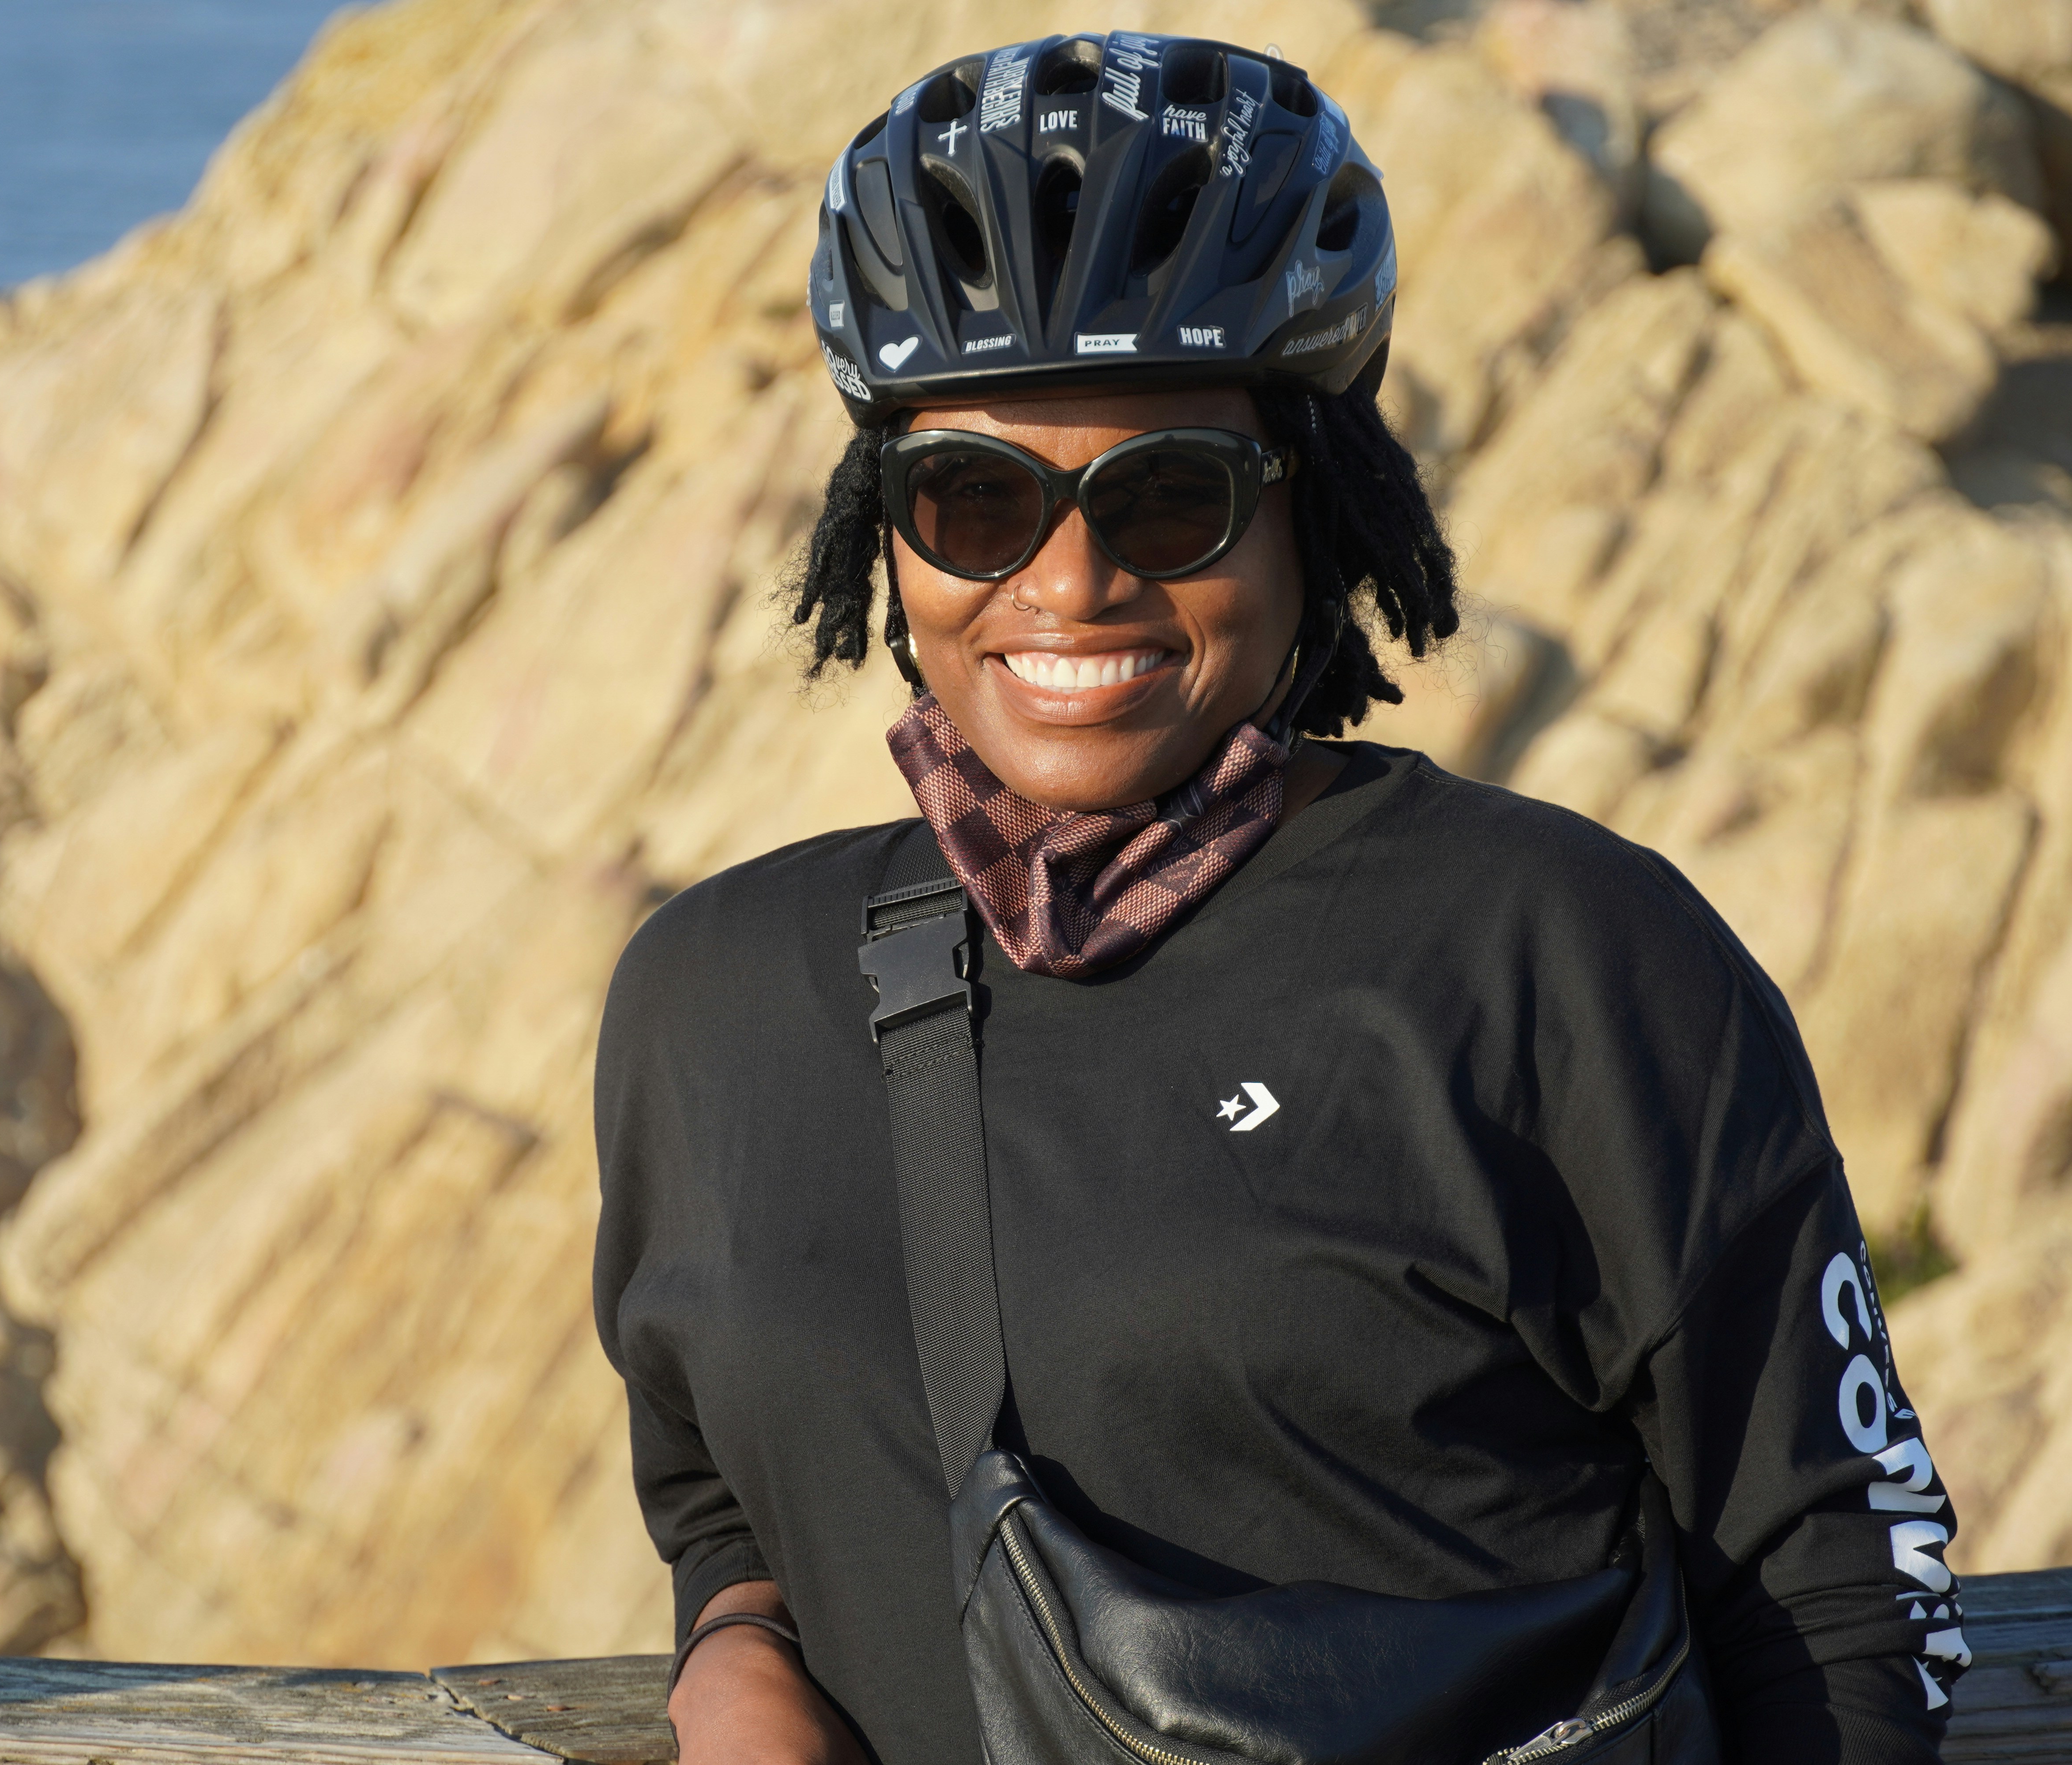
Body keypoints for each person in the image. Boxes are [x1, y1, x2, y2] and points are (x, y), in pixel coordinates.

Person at [592, 30, 1967, 1765]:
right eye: (975, 499)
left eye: (1170, 497)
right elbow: (717, 1482)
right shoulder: (709, 1001)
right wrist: (733, 1651)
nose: (1071, 582)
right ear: (885, 525)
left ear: (1312, 513)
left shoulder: (1563, 957)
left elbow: (1844, 1592)